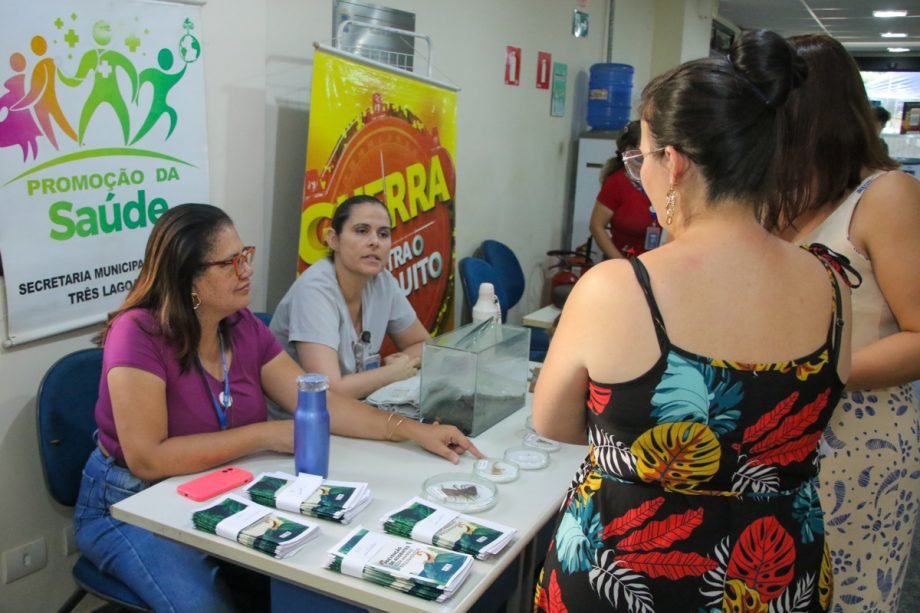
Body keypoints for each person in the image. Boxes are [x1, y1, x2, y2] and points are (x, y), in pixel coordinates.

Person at [532, 30, 852, 611]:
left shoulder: (619, 288)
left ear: (673, 163)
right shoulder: (832, 284)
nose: (640, 175)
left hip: (629, 573)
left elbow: (553, 421)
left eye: (642, 158)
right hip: (775, 574)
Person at [74, 203, 481, 611]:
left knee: (322, 573)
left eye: (245, 255)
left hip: (225, 485)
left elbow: (321, 404)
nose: (247, 270)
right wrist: (264, 435)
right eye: (230, 262)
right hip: (130, 503)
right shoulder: (138, 334)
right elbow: (147, 458)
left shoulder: (241, 325)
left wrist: (412, 430)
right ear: (189, 278)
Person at [773, 34, 920, 612]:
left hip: (858, 437)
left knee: (847, 589)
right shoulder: (775, 194)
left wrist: (817, 372)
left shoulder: (885, 197)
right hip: (778, 432)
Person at [271, 195, 430, 400]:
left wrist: (403, 362)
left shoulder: (383, 281)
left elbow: (424, 345)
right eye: (362, 231)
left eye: (383, 234)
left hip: (357, 407)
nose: (374, 242)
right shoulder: (313, 291)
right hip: (300, 420)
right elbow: (328, 390)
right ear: (333, 239)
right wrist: (391, 374)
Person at [588, 120, 658, 259]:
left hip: (658, 262)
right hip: (626, 259)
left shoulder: (664, 180)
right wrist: (621, 262)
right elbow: (596, 226)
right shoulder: (617, 182)